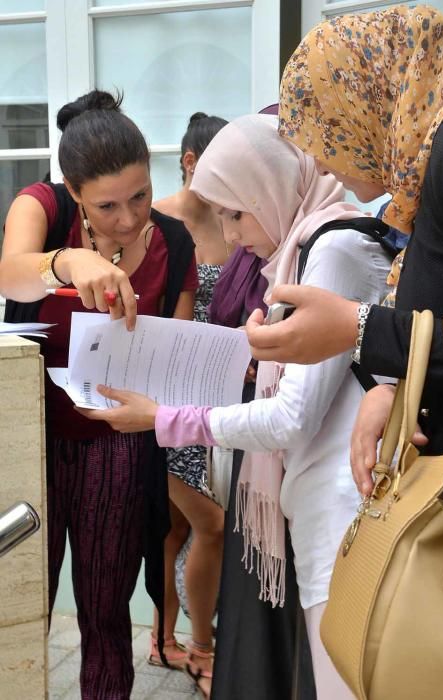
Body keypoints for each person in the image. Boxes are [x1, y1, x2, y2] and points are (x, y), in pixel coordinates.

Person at [77, 113, 390, 699]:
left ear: (269, 187)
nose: (232, 232)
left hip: (348, 510)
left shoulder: (333, 249)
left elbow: (293, 416)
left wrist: (163, 418)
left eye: (235, 212)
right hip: (324, 506)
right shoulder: (301, 249)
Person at [0, 89, 198, 699]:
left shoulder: (173, 243)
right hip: (27, 434)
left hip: (114, 441)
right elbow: (11, 270)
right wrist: (67, 265)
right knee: (15, 600)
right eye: (107, 205)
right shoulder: (44, 206)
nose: (129, 218)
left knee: (107, 611)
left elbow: (177, 347)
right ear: (75, 190)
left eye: (140, 195)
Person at [245, 4, 443, 496]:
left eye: (325, 133)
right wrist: (394, 388)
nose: (324, 166)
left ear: (367, 100)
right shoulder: (427, 174)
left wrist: (357, 326)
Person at [146, 112, 229, 690]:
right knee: (209, 524)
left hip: (213, 402)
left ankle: (161, 641)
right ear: (191, 162)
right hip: (163, 400)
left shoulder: (232, 224)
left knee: (176, 525)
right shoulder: (159, 225)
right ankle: (200, 648)